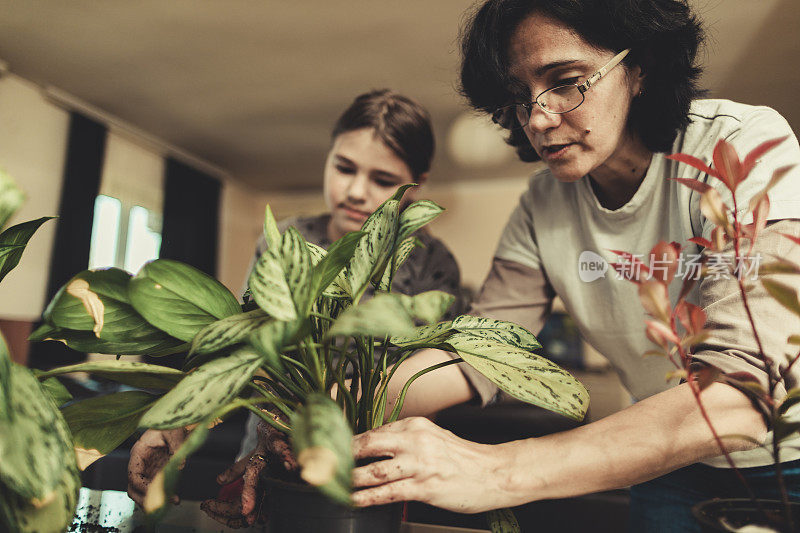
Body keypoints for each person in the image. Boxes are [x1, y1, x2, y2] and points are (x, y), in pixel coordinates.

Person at [348, 1, 800, 531]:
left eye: (566, 81)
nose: (538, 117)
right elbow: (483, 354)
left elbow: (744, 391)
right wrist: (333, 406)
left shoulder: (739, 144)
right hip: (669, 461)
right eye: (519, 97)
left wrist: (493, 470)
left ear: (641, 66)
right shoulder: (542, 207)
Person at [126, 89, 465, 527]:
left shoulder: (430, 262)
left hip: (367, 471)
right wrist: (177, 420)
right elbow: (247, 348)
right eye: (344, 168)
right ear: (327, 159)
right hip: (262, 457)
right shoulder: (283, 240)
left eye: (382, 180)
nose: (356, 191)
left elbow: (426, 391)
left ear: (415, 185)